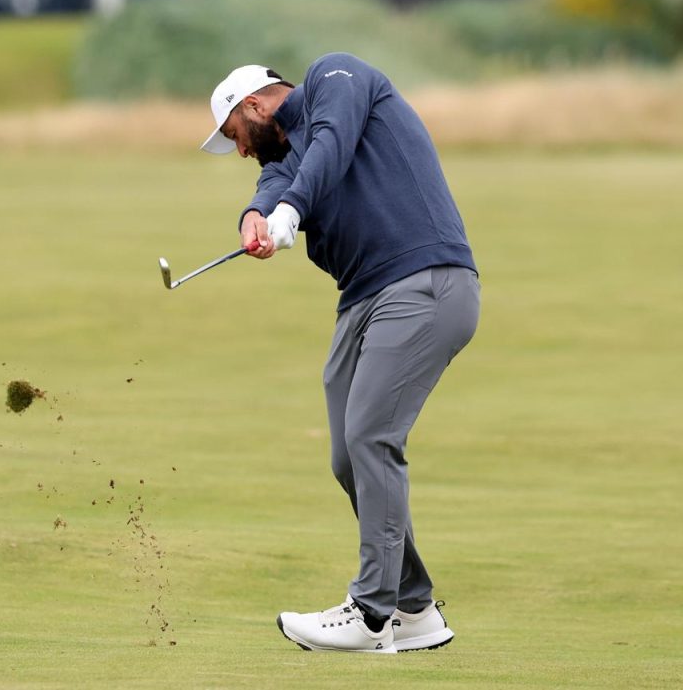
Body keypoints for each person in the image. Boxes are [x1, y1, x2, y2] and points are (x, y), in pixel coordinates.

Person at [199, 56, 481, 653]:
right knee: (347, 455)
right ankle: (415, 608)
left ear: (253, 105)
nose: (243, 152)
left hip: (425, 280)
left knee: (372, 437)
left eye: (235, 137)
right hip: (363, 299)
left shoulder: (337, 81)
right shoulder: (286, 158)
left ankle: (372, 612)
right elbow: (275, 182)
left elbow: (330, 145)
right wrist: (256, 215)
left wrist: (292, 211)